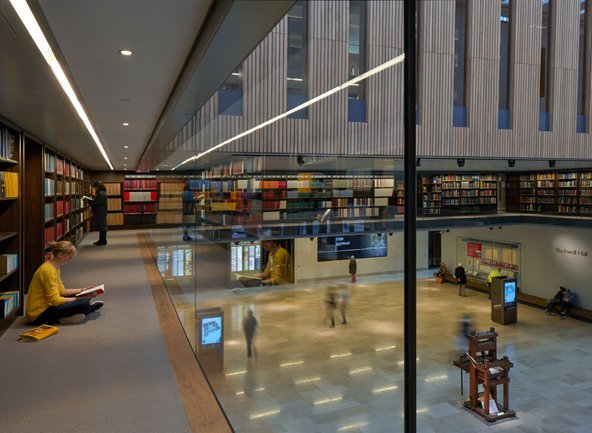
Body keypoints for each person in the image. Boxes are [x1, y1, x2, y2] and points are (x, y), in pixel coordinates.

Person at [25, 241, 104, 325]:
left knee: (83, 296)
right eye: (69, 257)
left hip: (49, 305)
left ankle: (71, 315)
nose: (70, 260)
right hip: (38, 315)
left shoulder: (54, 267)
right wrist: (79, 299)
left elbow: (62, 291)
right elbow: (55, 301)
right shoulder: (48, 271)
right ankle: (86, 309)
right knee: (84, 303)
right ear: (60, 255)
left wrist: (83, 290)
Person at [88, 180, 108, 246]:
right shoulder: (101, 192)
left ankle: (103, 240)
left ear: (98, 186)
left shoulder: (101, 193)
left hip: (100, 212)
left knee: (102, 226)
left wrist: (90, 202)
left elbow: (98, 203)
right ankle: (101, 240)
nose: (95, 189)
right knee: (101, 226)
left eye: (95, 187)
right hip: (100, 211)